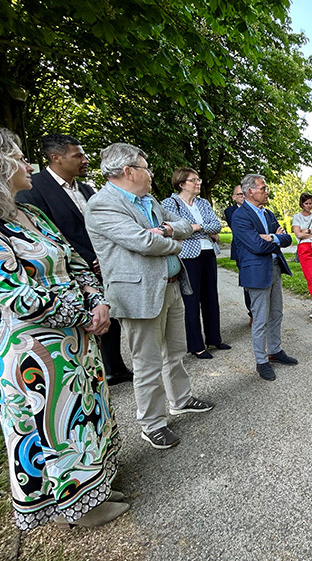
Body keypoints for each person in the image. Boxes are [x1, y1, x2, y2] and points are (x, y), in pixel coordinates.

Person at [0, 124, 127, 529]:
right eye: (17, 157)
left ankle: (93, 484)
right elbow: (17, 296)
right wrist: (86, 309)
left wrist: (98, 299)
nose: (27, 164)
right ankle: (74, 505)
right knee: (50, 424)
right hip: (29, 353)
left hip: (73, 342)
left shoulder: (31, 212)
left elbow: (74, 260)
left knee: (84, 413)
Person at [85, 143, 214, 450]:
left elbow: (183, 224)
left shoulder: (149, 200)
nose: (152, 173)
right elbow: (143, 242)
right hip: (138, 293)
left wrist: (166, 230)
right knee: (147, 362)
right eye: (146, 168)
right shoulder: (103, 204)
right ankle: (152, 423)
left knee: (176, 351)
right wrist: (174, 243)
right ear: (129, 171)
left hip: (170, 285)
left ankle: (180, 399)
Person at [15, 134, 134, 386]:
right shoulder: (34, 188)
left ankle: (113, 366)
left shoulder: (87, 189)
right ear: (56, 158)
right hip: (67, 272)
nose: (85, 160)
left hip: (102, 265)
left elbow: (102, 227)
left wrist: (104, 256)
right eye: (77, 155)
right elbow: (51, 233)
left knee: (107, 315)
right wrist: (89, 260)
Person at [231, 173, 298, 381]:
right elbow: (256, 245)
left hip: (274, 267)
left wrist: (273, 237)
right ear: (250, 191)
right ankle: (261, 361)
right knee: (259, 319)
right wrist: (273, 239)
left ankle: (275, 350)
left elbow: (287, 238)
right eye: (263, 188)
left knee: (276, 313)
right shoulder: (240, 216)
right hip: (256, 272)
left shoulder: (267, 213)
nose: (267, 191)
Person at [161, 167, 230, 359]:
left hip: (208, 253)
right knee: (191, 301)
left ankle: (214, 338)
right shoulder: (170, 203)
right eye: (193, 180)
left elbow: (217, 225)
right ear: (182, 183)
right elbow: (173, 229)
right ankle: (196, 345)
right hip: (187, 256)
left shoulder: (203, 203)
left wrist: (196, 227)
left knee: (211, 297)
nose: (198, 182)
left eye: (198, 179)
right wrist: (203, 230)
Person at [224, 184, 253, 323]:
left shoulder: (255, 208)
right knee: (247, 283)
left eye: (244, 194)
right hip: (240, 251)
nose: (243, 196)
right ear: (234, 197)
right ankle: (252, 313)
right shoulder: (230, 211)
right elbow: (239, 226)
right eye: (239, 194)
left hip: (256, 250)